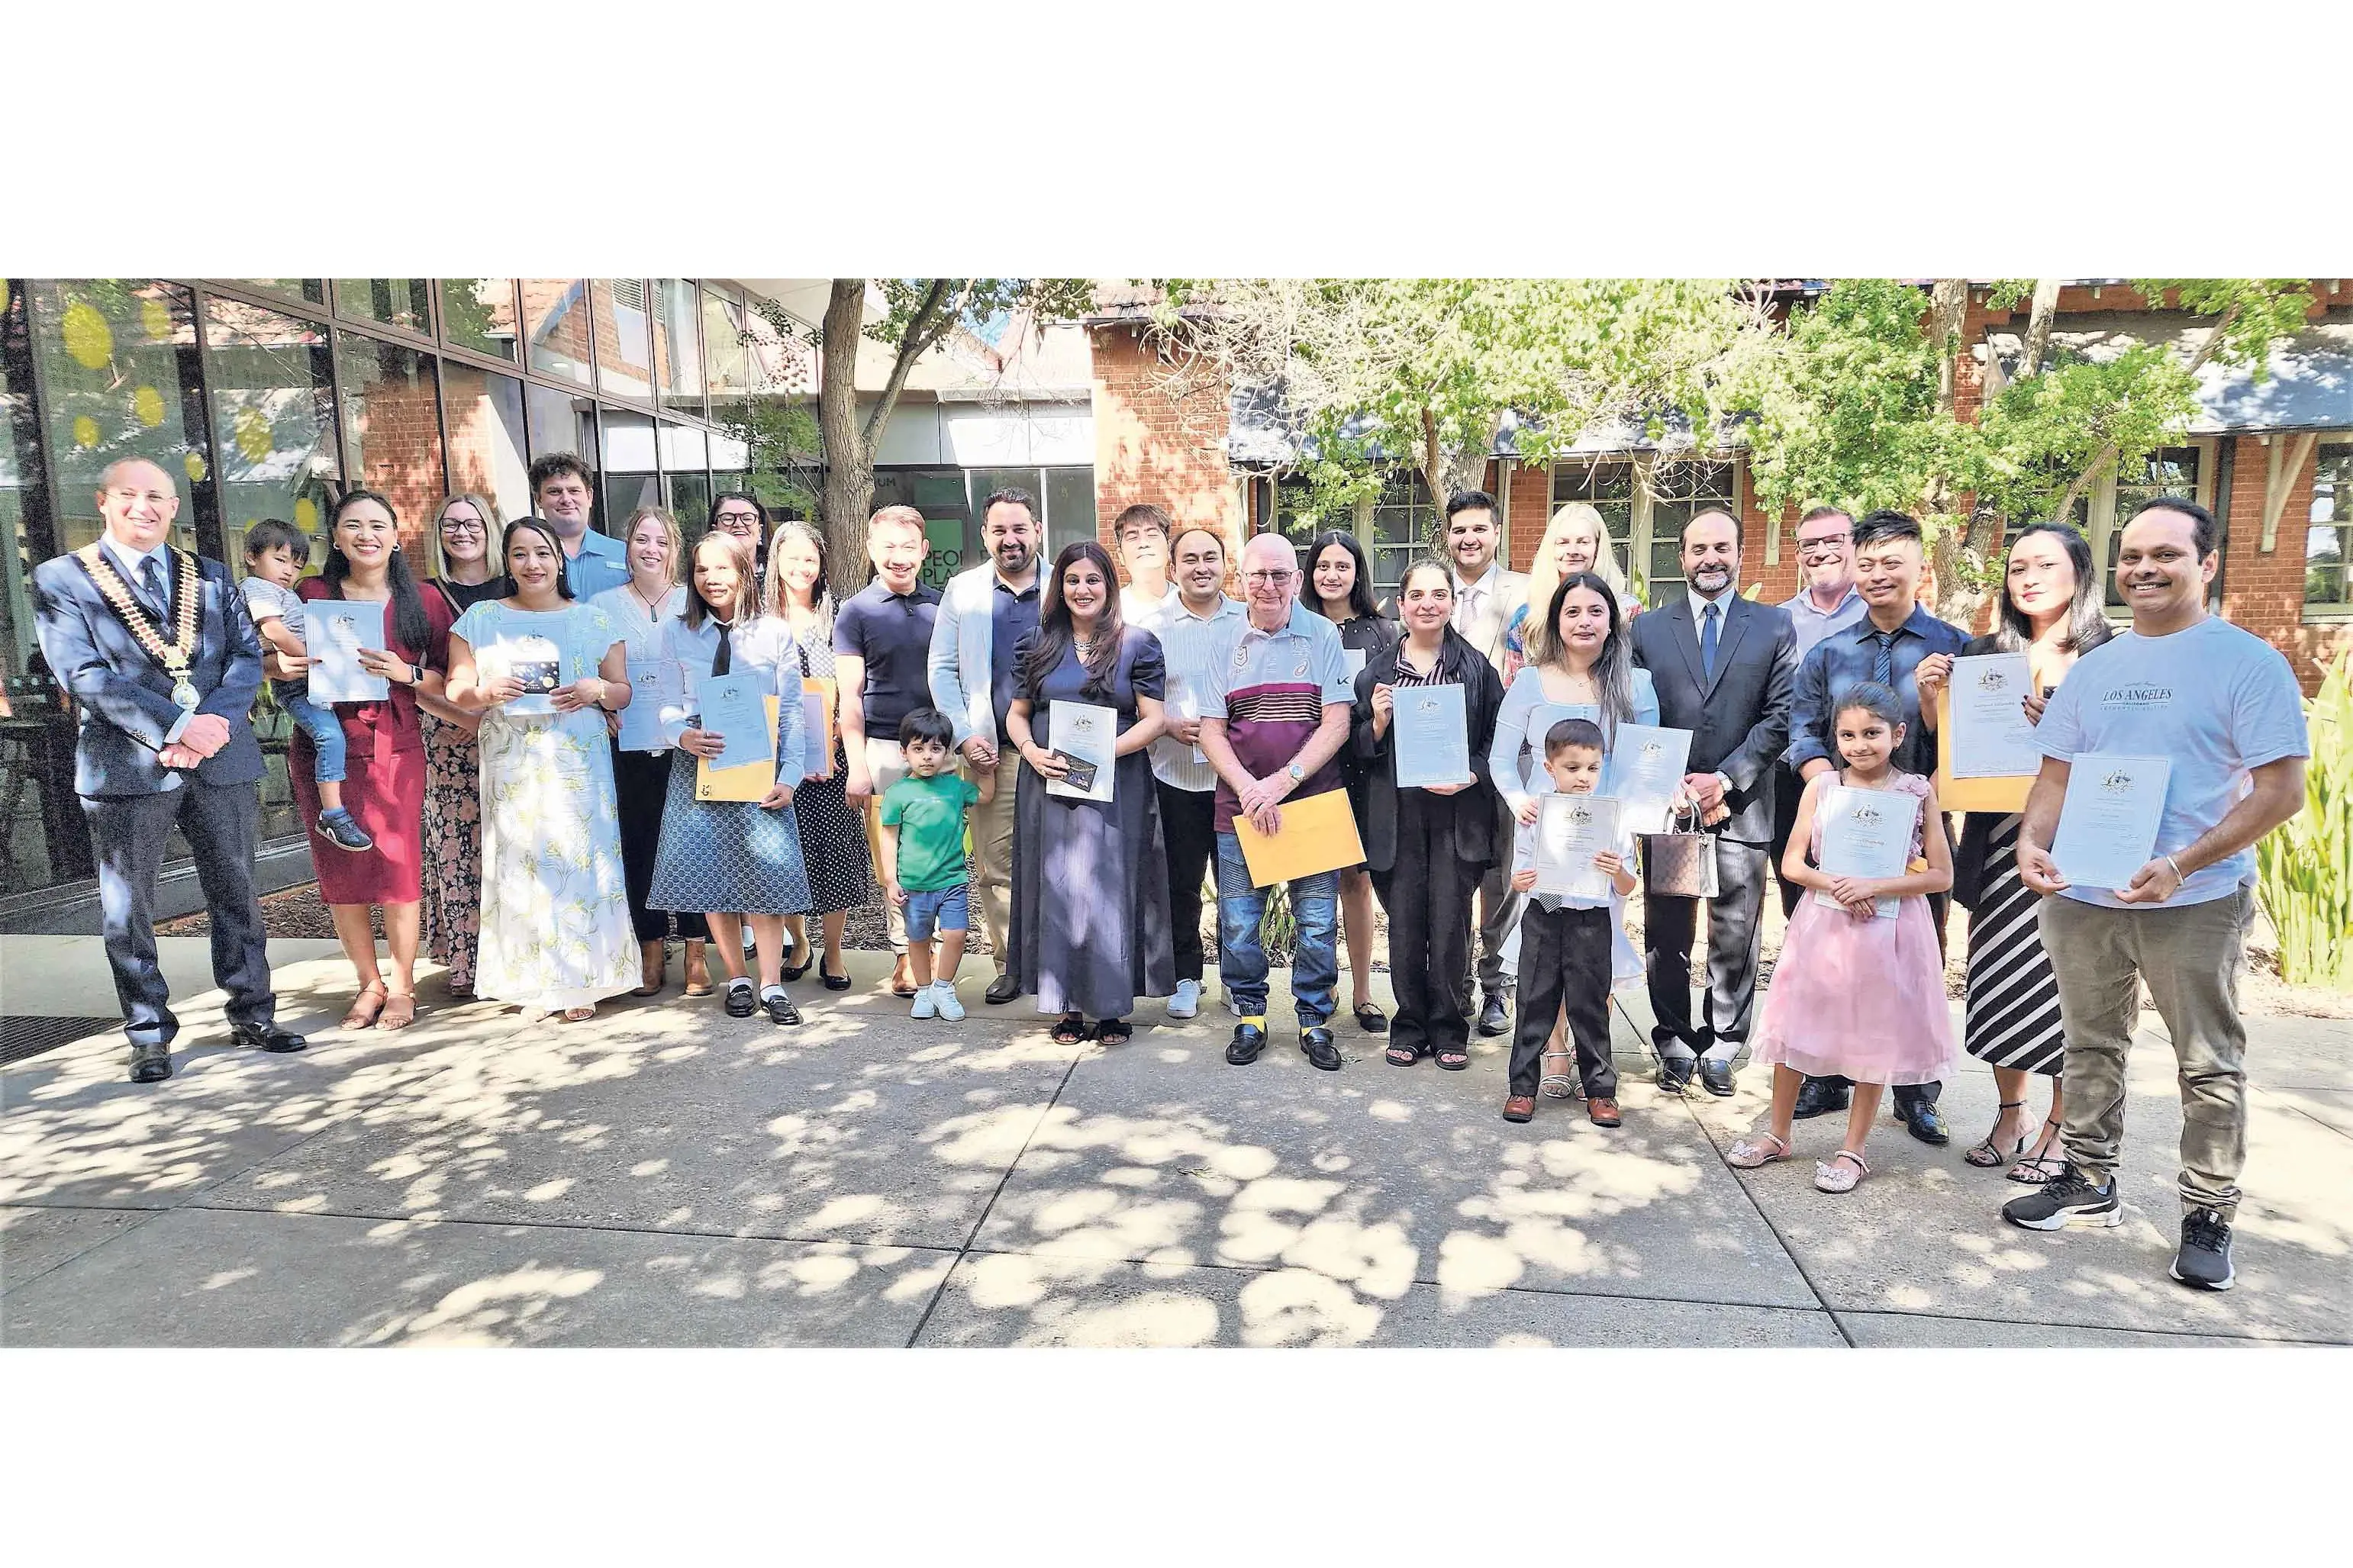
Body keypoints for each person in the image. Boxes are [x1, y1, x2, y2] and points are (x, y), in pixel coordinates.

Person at [2001, 499, 2309, 1293]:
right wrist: (2031, 842)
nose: (2143, 568)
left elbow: (2280, 792)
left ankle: (2206, 1213)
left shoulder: (2246, 662)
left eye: (2164, 555)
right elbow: (2056, 772)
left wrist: (2181, 862)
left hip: (2194, 900)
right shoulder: (2095, 667)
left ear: (2205, 566)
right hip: (2084, 893)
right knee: (2088, 1046)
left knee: (2206, 1065)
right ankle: (2089, 1180)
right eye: (2131, 554)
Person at [30, 457, 303, 1081]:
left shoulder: (208, 577)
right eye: (128, 495)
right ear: (103, 501)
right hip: (128, 765)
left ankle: (253, 1011)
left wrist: (209, 728)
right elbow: (82, 673)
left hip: (219, 757)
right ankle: (148, 1031)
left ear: (173, 507)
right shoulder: (61, 578)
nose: (142, 506)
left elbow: (241, 657)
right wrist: (177, 726)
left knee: (237, 891)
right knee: (129, 905)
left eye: (156, 496)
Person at [1916, 523, 2111, 1183]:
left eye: (2045, 564)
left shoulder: (2108, 656)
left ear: (2079, 572)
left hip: (2076, 846)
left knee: (2065, 989)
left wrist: (2057, 730)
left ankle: (2060, 1127)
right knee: (1998, 983)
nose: (2027, 577)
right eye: (2017, 566)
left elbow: (2125, 756)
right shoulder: (1982, 652)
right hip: (1998, 843)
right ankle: (2010, 1112)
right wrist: (1929, 695)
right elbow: (1956, 748)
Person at [1784, 509, 1968, 1142]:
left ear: (1921, 568)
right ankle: (1827, 1074)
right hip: (1839, 829)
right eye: (1867, 563)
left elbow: (1970, 743)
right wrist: (1822, 789)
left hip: (1920, 832)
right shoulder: (1828, 652)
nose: (1878, 574)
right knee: (1833, 956)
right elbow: (1802, 727)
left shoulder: (1953, 646)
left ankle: (1916, 1091)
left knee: (1912, 961)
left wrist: (1935, 804)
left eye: (1893, 561)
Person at [1728, 683, 1957, 1192]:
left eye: (1871, 733)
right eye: (1847, 734)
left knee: (1871, 1035)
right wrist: (1836, 882)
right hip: (1824, 922)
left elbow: (1940, 875)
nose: (1859, 744)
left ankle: (1852, 1149)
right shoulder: (1822, 787)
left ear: (1897, 734)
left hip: (1887, 927)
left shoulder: (1916, 791)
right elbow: (1791, 862)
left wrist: (1876, 884)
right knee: (1796, 1025)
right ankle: (1777, 1133)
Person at [1627, 508, 1798, 1096]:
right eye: (1698, 548)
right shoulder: (1647, 630)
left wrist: (1722, 781)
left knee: (1735, 931)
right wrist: (1672, 784)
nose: (1710, 559)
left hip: (1742, 804)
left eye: (1721, 547)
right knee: (1668, 930)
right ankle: (1673, 1039)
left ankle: (1724, 1041)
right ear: (1681, 557)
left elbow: (1781, 717)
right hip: (1669, 807)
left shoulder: (1773, 626)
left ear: (1740, 551)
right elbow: (1637, 717)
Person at [443, 517, 637, 1022]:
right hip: (512, 759)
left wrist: (597, 690)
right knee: (520, 863)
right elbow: (455, 688)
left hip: (577, 758)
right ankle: (528, 978)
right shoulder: (480, 619)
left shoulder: (592, 619)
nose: (533, 564)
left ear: (559, 560)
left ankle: (582, 978)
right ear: (506, 561)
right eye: (521, 554)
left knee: (578, 858)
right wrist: (483, 693)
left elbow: (622, 690)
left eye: (543, 553)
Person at [287, 491, 453, 1032]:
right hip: (324, 750)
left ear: (396, 537)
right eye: (353, 525)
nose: (366, 535)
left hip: (395, 747)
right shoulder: (311, 594)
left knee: (400, 867)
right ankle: (368, 981)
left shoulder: (423, 600)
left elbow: (452, 680)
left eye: (378, 525)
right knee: (343, 871)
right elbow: (270, 663)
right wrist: (287, 663)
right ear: (335, 537)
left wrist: (403, 672)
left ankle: (402, 983)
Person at [1488, 570, 1658, 1094]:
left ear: (1612, 620)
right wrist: (1519, 801)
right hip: (1546, 834)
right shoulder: (1529, 682)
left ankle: (1593, 1057)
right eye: (1572, 611)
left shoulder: (1636, 683)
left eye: (1595, 611)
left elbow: (1645, 766)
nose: (1584, 621)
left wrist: (1627, 826)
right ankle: (1554, 1052)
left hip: (1604, 839)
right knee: (1547, 948)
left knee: (1596, 950)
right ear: (1557, 620)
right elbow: (1500, 759)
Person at [1004, 539, 1173, 1042]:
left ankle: (1111, 1008)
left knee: (1108, 891)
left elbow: (1155, 719)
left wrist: (1106, 752)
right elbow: (1015, 714)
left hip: (1118, 782)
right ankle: (1066, 1007)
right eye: (1073, 580)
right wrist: (1032, 753)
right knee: (1057, 887)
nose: (1082, 589)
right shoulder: (1034, 642)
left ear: (1108, 586)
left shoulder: (1138, 644)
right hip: (1049, 781)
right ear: (1060, 587)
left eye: (1092, 580)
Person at [1199, 533, 1355, 1070]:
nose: (1268, 585)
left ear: (1296, 578)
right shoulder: (1222, 640)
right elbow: (1211, 730)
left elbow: (1336, 721)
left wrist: (1279, 783)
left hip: (1311, 803)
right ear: (1240, 579)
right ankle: (1250, 1015)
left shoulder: (1322, 635)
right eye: (1258, 575)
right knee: (1240, 922)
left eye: (1280, 574)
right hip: (1239, 807)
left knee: (1315, 923)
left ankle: (1314, 1019)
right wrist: (1248, 787)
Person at [646, 531, 811, 1026]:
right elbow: (666, 702)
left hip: (758, 766)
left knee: (765, 876)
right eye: (701, 569)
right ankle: (737, 978)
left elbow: (792, 714)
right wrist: (680, 735)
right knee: (714, 876)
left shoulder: (774, 633)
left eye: (722, 568)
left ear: (744, 572)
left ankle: (772, 984)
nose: (711, 578)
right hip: (699, 764)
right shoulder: (676, 631)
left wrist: (791, 775)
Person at [1352, 559, 1502, 1071]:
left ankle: (1448, 1026)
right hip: (1397, 819)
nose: (1428, 604)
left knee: (1451, 925)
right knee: (1405, 926)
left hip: (1457, 815)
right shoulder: (1375, 672)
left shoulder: (1476, 667)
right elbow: (1356, 753)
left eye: (1439, 594)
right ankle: (1409, 1023)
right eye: (1417, 595)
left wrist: (1473, 773)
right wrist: (1375, 721)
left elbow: (1496, 742)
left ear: (1451, 603)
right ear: (1401, 604)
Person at [926, 487, 1044, 1006]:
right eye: (999, 530)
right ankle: (1010, 964)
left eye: (1019, 528)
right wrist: (964, 734)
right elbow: (942, 668)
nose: (1010, 539)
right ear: (984, 535)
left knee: (1064, 860)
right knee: (997, 867)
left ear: (1037, 530)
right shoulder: (963, 590)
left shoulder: (1066, 584)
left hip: (1060, 751)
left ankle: (1059, 964)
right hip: (989, 751)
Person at [589, 506, 710, 999]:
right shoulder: (601, 604)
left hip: (689, 745)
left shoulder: (694, 600)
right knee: (639, 847)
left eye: (661, 541)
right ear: (627, 546)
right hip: (630, 746)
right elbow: (595, 672)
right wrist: (601, 705)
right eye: (642, 539)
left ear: (674, 549)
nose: (651, 549)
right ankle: (651, 948)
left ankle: (698, 950)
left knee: (693, 849)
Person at [1504, 718, 1641, 1125]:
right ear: (1550, 768)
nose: (1584, 778)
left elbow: (1628, 885)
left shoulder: (1613, 818)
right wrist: (1521, 880)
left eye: (1593, 768)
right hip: (1545, 911)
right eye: (1572, 768)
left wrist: (1616, 870)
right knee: (1533, 999)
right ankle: (1522, 1088)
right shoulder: (1534, 815)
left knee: (1591, 1004)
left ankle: (1600, 1090)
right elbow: (1520, 873)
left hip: (1591, 918)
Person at [1140, 524, 1245, 1022]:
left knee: (1238, 886)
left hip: (1235, 780)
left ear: (1225, 563)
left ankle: (1237, 978)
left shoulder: (1248, 621)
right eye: (1189, 559)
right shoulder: (1153, 626)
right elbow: (1139, 699)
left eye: (1210, 557)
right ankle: (1186, 978)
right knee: (1181, 885)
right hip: (1175, 777)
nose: (1200, 567)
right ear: (1173, 567)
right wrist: (1165, 724)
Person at [836, 504, 940, 997]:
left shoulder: (944, 607)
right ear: (871, 551)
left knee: (940, 853)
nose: (898, 558)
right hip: (882, 749)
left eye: (907, 547)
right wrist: (856, 764)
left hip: (942, 751)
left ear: (923, 550)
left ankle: (936, 947)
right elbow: (849, 697)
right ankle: (903, 952)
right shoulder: (855, 611)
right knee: (895, 859)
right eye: (887, 548)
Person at [769, 519, 874, 993]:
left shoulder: (842, 616)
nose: (802, 567)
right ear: (775, 562)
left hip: (833, 755)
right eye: (792, 558)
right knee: (782, 856)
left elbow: (858, 684)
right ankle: (798, 940)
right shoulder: (759, 620)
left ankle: (833, 951)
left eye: (810, 558)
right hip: (777, 758)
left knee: (834, 856)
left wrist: (839, 729)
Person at [1304, 529, 1401, 1033]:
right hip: (1308, 772)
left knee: (1356, 883)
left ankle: (1362, 991)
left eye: (1342, 566)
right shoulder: (1294, 627)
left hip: (1364, 771)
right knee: (1315, 886)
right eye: (1323, 565)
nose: (1331, 575)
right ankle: (1320, 986)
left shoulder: (1383, 633)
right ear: (1310, 572)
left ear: (1356, 573)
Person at [1443, 488, 1530, 1037]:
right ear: (1447, 537)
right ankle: (1453, 986)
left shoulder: (1525, 592)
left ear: (1496, 533)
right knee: (1451, 875)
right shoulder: (1427, 590)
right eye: (1459, 530)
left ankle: (1495, 985)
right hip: (1443, 761)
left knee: (1501, 876)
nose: (1469, 538)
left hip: (1508, 759)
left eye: (1479, 528)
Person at [237, 518, 372, 851]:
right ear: (252, 557)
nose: (288, 572)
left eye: (296, 566)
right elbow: (275, 632)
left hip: (310, 678)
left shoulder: (280, 592)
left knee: (336, 737)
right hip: (299, 681)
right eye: (280, 560)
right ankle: (333, 814)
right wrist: (319, 664)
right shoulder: (257, 588)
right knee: (329, 737)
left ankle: (335, 811)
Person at [418, 493, 504, 998]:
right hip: (449, 738)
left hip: (516, 734)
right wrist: (464, 720)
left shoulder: (514, 586)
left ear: (490, 529)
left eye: (473, 523)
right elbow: (416, 673)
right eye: (452, 524)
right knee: (460, 847)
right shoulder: (425, 595)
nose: (463, 532)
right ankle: (468, 965)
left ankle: (518, 957)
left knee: (511, 846)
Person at [1770, 506, 1866, 919]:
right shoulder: (1777, 621)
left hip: (1870, 774)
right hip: (1794, 778)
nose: (1821, 552)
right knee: (1802, 900)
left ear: (1856, 546)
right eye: (1809, 544)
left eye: (1834, 541)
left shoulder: (1877, 613)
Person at [880, 707, 990, 1021]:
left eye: (936, 749)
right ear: (904, 753)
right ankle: (925, 990)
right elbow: (889, 838)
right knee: (918, 938)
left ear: (946, 752)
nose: (927, 756)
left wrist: (986, 768)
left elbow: (985, 796)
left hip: (951, 880)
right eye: (918, 749)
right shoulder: (898, 793)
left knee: (956, 934)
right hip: (914, 884)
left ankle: (944, 986)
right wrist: (890, 879)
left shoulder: (954, 787)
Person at [1505, 501, 1636, 675]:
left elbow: (1637, 676)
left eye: (1583, 542)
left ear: (1598, 548)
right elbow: (1513, 687)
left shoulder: (1628, 609)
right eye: (1563, 543)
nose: (1572, 551)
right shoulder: (1527, 616)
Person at [529, 452, 629, 600]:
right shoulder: (526, 560)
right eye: (555, 492)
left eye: (574, 491)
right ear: (539, 499)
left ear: (589, 497)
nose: (566, 499)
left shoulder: (625, 555)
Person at [1114, 501, 1179, 621]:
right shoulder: (1109, 612)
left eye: (1152, 534)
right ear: (1120, 556)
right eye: (1133, 537)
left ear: (1169, 548)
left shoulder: (1190, 604)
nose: (1143, 544)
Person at [708, 492, 770, 573]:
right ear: (715, 530)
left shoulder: (778, 572)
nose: (738, 524)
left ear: (759, 531)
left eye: (747, 518)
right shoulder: (704, 572)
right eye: (728, 519)